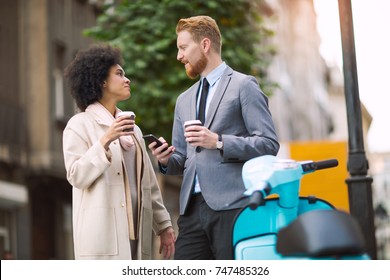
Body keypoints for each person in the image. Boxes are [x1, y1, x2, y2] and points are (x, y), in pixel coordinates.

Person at [148, 15, 280, 260]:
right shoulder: (184, 100)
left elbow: (269, 144)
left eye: (183, 47)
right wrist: (166, 159)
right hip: (191, 211)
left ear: (205, 45)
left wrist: (218, 142)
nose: (179, 56)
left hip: (233, 206)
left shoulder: (244, 85)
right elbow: (183, 159)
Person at [62, 44, 176, 260]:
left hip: (137, 239)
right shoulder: (79, 124)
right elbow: (76, 175)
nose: (127, 79)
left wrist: (164, 226)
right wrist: (105, 140)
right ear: (101, 81)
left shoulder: (133, 129)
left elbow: (149, 185)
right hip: (102, 241)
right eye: (119, 73)